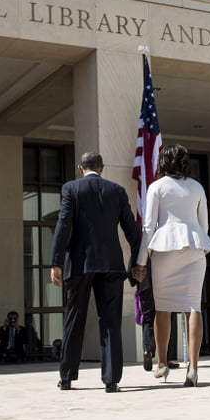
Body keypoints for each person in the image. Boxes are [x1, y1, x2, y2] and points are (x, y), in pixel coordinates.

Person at [50, 151, 141, 393]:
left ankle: (67, 377)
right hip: (111, 264)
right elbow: (132, 231)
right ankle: (111, 380)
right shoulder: (117, 191)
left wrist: (56, 262)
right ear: (102, 168)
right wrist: (136, 262)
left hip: (79, 264)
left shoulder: (71, 189)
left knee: (74, 318)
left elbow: (63, 224)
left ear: (81, 168)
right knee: (110, 321)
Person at [135, 144, 210, 387]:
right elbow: (204, 225)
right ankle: (193, 367)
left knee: (163, 308)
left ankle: (162, 364)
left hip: (165, 249)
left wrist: (140, 261)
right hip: (194, 247)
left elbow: (148, 226)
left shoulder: (157, 186)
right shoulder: (197, 186)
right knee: (193, 306)